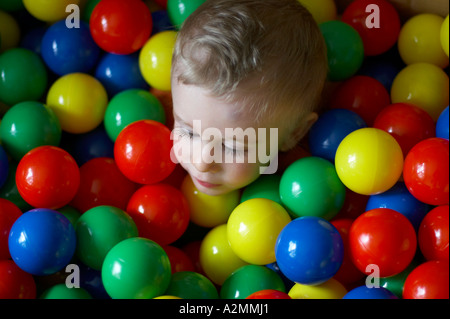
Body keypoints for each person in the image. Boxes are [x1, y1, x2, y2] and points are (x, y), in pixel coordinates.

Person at [170, 0, 328, 196]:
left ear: (295, 132)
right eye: (189, 133)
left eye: (233, 147)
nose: (202, 163)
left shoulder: (312, 185)